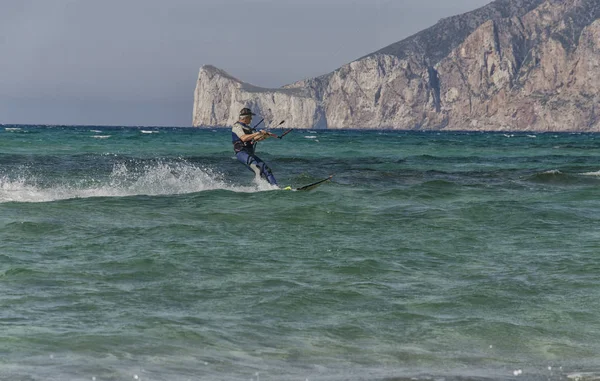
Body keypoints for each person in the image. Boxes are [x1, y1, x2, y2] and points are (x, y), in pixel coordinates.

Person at [231, 107, 278, 186]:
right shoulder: (237, 126)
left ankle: (275, 187)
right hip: (242, 153)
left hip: (250, 154)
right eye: (250, 117)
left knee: (267, 170)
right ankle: (258, 188)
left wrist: (265, 135)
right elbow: (244, 138)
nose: (251, 119)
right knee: (257, 169)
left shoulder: (249, 128)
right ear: (245, 118)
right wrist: (257, 133)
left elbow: (256, 138)